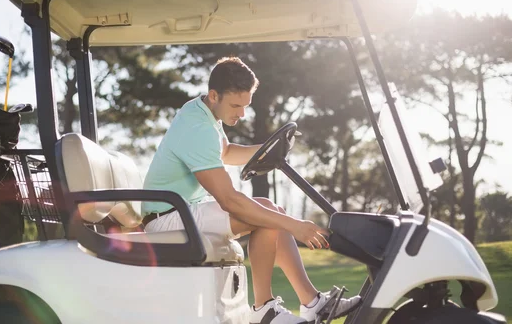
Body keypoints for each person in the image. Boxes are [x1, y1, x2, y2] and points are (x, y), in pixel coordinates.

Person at [142, 57, 360, 323]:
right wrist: (295, 226)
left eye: (245, 105)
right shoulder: (197, 127)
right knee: (266, 214)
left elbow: (227, 152)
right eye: (236, 105)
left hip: (183, 211)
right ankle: (263, 309)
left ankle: (311, 302)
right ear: (214, 95)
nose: (241, 113)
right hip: (167, 219)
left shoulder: (205, 113)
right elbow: (229, 200)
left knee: (271, 211)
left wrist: (270, 148)